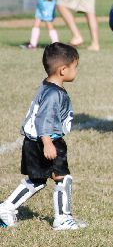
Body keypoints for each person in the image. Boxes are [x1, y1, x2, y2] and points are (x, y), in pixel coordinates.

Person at [0, 43, 85, 231]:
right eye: (75, 67)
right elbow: (44, 119)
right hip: (47, 141)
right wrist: (48, 143)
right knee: (63, 178)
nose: (76, 71)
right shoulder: (54, 94)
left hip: (33, 142)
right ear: (63, 70)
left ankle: (6, 208)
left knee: (37, 180)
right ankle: (62, 219)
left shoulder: (47, 86)